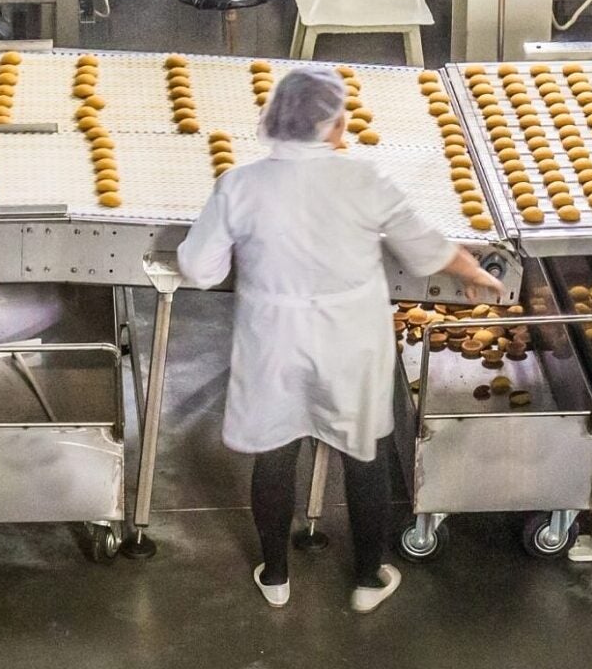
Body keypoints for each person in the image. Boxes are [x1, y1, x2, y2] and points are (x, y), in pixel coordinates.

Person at [177, 67, 504, 613]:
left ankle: (275, 576)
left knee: (275, 454)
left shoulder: (240, 185)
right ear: (331, 124)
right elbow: (424, 247)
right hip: (349, 340)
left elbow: (198, 267)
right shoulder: (363, 180)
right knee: (363, 454)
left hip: (275, 342)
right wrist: (476, 273)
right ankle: (367, 580)